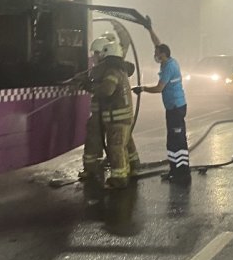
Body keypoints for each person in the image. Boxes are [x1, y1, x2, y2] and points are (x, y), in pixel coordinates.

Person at [79, 34, 140, 189]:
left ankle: (119, 178)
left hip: (115, 117)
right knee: (122, 144)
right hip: (116, 116)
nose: (95, 57)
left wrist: (90, 87)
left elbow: (107, 90)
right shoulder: (116, 69)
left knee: (116, 146)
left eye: (97, 54)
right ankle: (130, 168)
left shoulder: (111, 71)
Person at [133, 28, 190, 184]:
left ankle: (182, 172)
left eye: (157, 53)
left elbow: (159, 88)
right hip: (172, 107)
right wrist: (149, 29)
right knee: (172, 139)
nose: (155, 55)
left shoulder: (169, 67)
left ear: (163, 54)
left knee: (177, 140)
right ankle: (174, 170)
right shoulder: (167, 61)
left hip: (176, 108)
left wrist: (142, 88)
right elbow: (157, 43)